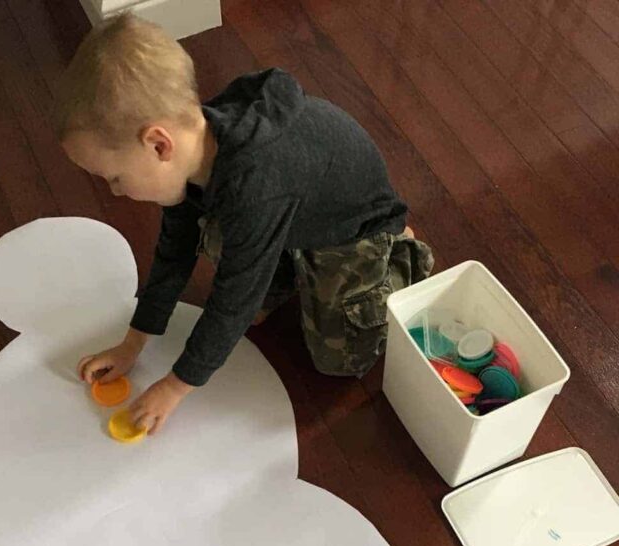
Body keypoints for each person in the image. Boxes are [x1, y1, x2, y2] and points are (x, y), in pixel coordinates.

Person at [54, 13, 433, 435]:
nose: (116, 191)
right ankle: (291, 265)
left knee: (341, 360)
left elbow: (234, 297)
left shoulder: (254, 185)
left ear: (158, 144)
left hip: (354, 229)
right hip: (294, 215)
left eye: (115, 178)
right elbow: (175, 247)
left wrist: (176, 386)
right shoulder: (196, 147)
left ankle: (398, 255)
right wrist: (134, 342)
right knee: (216, 232)